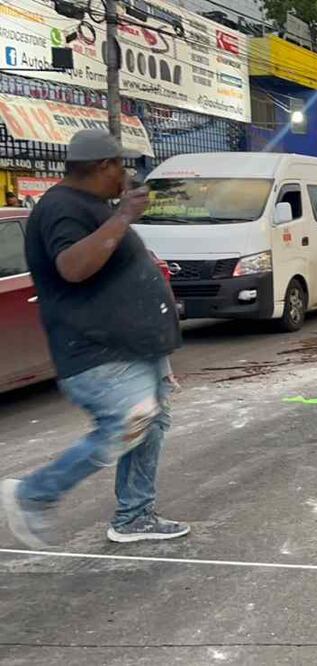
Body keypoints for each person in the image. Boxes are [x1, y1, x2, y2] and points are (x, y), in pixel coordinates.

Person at [1, 129, 186, 547]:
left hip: (132, 347)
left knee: (150, 423)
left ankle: (134, 516)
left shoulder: (93, 205)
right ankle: (31, 495)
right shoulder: (61, 208)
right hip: (95, 350)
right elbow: (72, 267)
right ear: (103, 166)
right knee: (127, 422)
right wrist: (122, 217)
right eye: (121, 164)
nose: (125, 173)